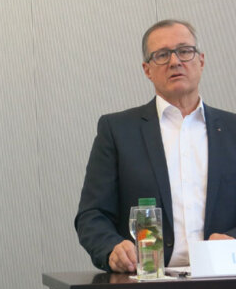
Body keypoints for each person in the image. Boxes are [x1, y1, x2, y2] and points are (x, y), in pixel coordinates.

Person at [75, 19, 236, 273]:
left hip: (224, 279)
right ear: (147, 69)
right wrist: (112, 248)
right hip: (147, 281)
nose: (175, 61)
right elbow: (92, 215)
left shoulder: (232, 130)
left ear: (201, 61)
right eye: (162, 55)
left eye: (185, 51)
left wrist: (232, 242)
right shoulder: (118, 131)